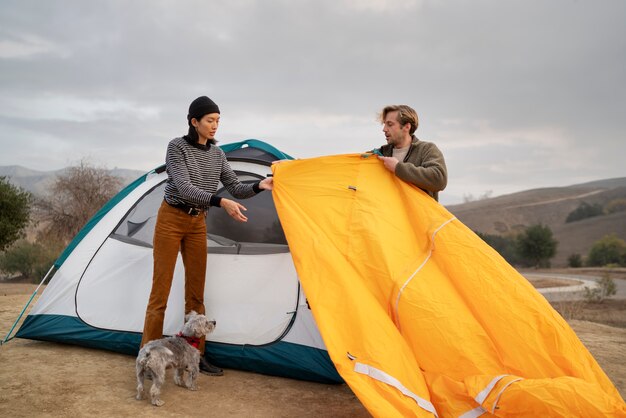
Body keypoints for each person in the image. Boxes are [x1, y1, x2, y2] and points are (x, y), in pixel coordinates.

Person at [140, 96, 273, 376]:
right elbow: (185, 188)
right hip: (171, 219)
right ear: (194, 122)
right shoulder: (177, 148)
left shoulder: (218, 154)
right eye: (210, 120)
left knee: (196, 295)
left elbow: (235, 188)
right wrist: (219, 202)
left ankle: (196, 355)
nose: (215, 126)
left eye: (218, 121)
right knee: (159, 294)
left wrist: (260, 185)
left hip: (198, 222)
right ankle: (149, 357)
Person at [375, 105, 447, 201]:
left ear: (407, 127)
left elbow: (439, 180)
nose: (384, 129)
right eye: (384, 124)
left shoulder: (426, 149)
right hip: (389, 215)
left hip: (419, 216)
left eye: (390, 124)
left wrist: (398, 168)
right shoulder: (380, 154)